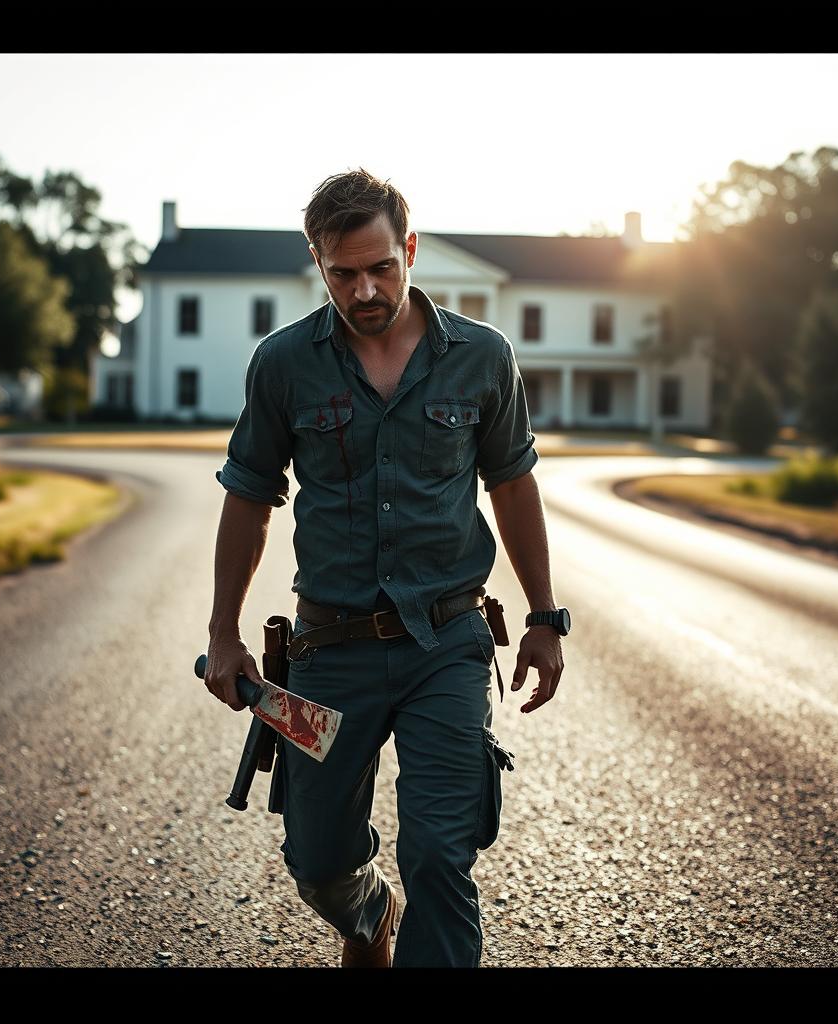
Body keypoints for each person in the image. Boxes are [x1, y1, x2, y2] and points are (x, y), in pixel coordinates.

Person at [205, 168, 568, 968]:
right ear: (318, 262)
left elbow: (513, 482)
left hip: (449, 642)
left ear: (409, 249)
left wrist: (544, 616)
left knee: (441, 855)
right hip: (329, 651)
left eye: (382, 267)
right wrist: (223, 631)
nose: (365, 289)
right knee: (319, 860)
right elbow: (248, 495)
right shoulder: (284, 364)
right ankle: (370, 916)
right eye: (343, 272)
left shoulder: (482, 357)